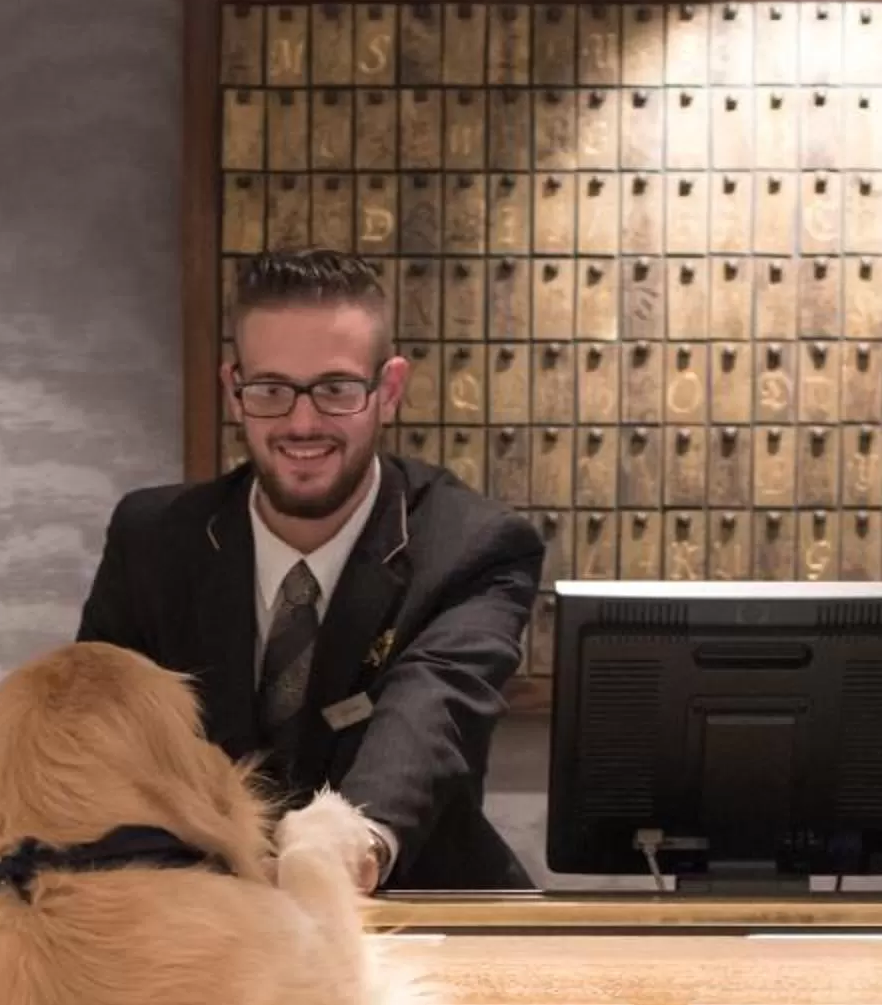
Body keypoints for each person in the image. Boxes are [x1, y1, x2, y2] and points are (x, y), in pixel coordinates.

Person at [76, 249, 545, 890]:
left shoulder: (473, 545)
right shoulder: (154, 540)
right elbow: (102, 739)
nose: (302, 422)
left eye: (336, 390)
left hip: (415, 922)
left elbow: (432, 708)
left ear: (389, 391)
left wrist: (345, 842)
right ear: (234, 391)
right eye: (271, 390)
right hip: (198, 927)